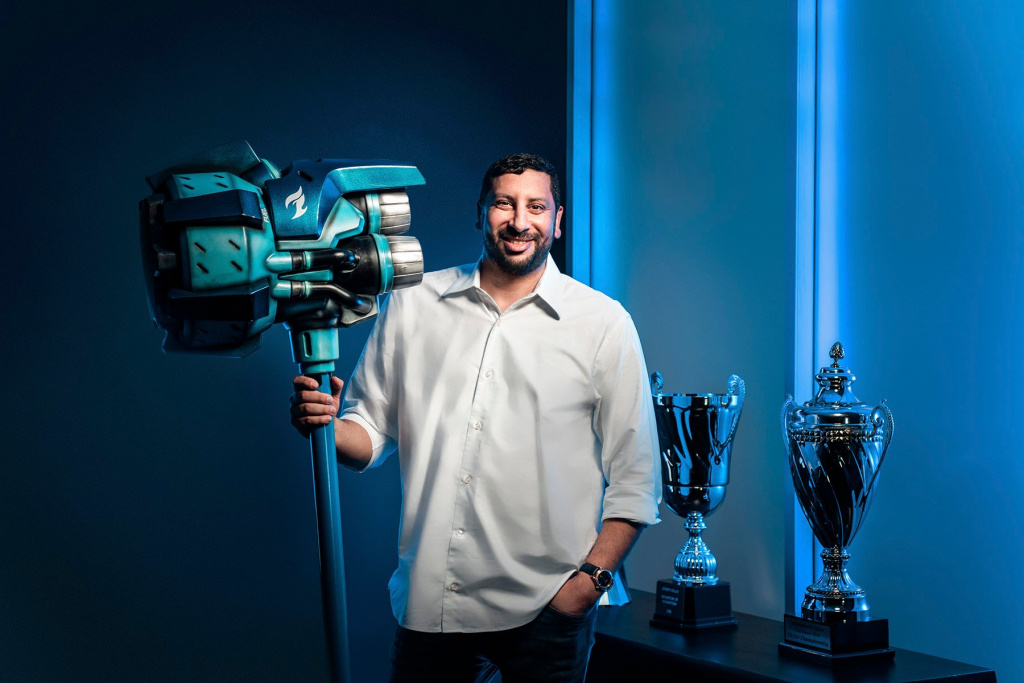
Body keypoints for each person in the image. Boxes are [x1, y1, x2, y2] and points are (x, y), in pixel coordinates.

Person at [290, 153, 660, 682]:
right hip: (431, 605)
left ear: (557, 220)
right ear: (481, 212)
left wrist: (587, 586)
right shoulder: (413, 302)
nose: (519, 221)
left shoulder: (603, 323)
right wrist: (327, 425)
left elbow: (637, 479)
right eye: (504, 204)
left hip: (547, 611)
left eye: (536, 207)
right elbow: (368, 434)